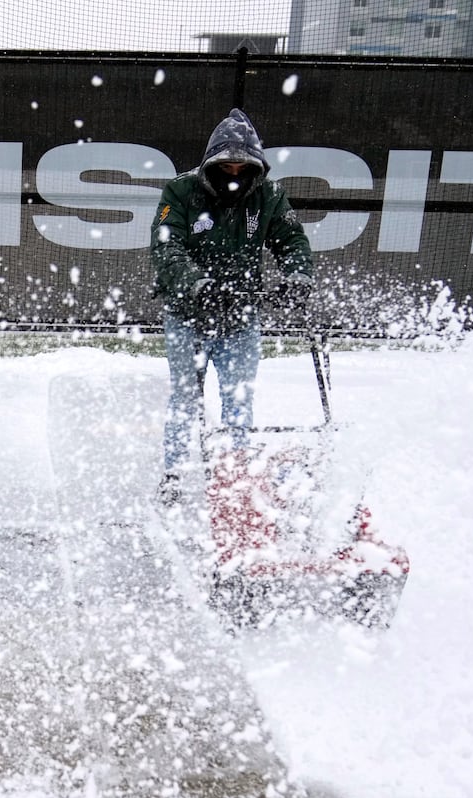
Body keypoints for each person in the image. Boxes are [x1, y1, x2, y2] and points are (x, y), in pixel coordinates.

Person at [149, 108, 315, 508]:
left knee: (238, 397)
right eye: (227, 165)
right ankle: (172, 473)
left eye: (243, 166)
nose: (235, 173)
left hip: (241, 315)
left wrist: (297, 277)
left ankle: (235, 472)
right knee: (185, 396)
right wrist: (198, 285)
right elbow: (165, 246)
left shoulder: (269, 196)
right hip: (188, 315)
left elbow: (291, 241)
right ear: (212, 164)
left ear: (257, 167)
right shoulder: (181, 192)